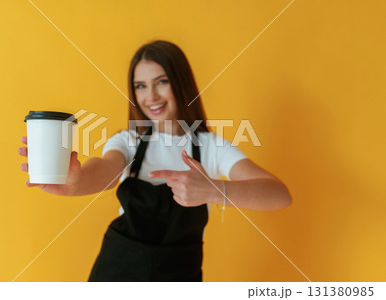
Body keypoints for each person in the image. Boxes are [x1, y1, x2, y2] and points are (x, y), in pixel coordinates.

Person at [18, 40, 292, 282]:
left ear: (181, 83)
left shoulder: (212, 147)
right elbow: (105, 171)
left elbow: (279, 195)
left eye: (161, 82)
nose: (151, 97)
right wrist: (75, 180)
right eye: (141, 86)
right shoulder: (128, 141)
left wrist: (215, 190)